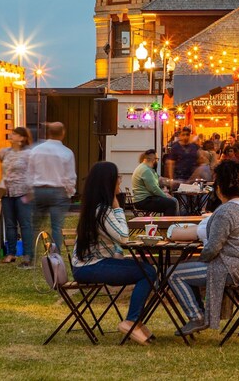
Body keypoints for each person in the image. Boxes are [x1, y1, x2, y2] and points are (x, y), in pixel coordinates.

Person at [72, 161, 158, 345]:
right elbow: (123, 236)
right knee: (148, 272)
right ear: (108, 182)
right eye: (117, 178)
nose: (120, 181)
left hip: (88, 265)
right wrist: (118, 207)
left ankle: (135, 321)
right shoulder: (103, 211)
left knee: (146, 270)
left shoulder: (93, 208)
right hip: (91, 267)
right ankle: (131, 321)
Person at [168, 160, 239, 336]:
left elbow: (213, 247)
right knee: (187, 268)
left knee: (173, 273)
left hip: (229, 269)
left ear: (219, 188)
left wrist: (200, 259)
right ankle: (199, 312)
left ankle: (196, 316)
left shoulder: (224, 212)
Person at [0, 127, 33, 266]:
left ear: (22, 138)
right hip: (7, 192)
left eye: (14, 134)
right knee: (10, 224)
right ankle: (11, 253)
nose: (11, 135)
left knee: (25, 224)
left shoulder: (29, 154)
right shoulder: (5, 152)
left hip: (23, 192)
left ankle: (27, 255)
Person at [29, 122, 76, 254]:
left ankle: (30, 257)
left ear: (48, 133)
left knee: (35, 226)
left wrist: (30, 190)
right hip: (58, 191)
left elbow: (29, 172)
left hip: (39, 190)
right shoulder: (67, 152)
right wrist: (70, 193)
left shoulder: (36, 150)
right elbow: (70, 176)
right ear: (63, 133)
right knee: (56, 226)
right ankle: (55, 255)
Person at [131, 149, 179, 215]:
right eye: (157, 159)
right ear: (153, 159)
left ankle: (173, 223)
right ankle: (169, 224)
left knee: (172, 201)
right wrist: (164, 195)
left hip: (143, 199)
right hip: (143, 201)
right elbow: (153, 189)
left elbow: (158, 180)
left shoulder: (146, 168)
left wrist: (170, 184)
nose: (157, 161)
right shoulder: (146, 170)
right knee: (171, 203)